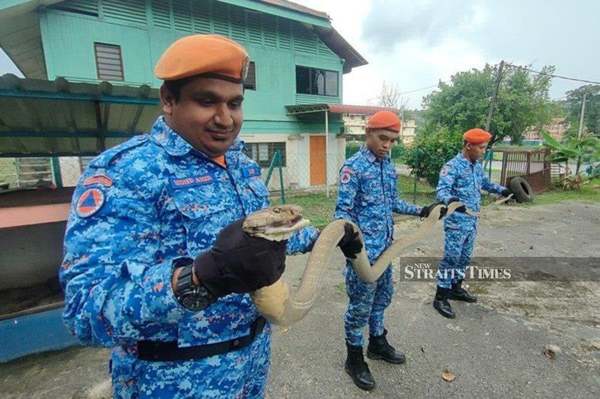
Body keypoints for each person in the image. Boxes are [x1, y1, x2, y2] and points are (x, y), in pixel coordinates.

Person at [59, 34, 320, 398]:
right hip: (173, 383)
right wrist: (197, 278)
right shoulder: (127, 173)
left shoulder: (242, 167)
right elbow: (84, 312)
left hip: (251, 366)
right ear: (168, 100)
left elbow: (258, 243)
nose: (225, 118)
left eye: (235, 103)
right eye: (207, 101)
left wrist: (319, 236)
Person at [334, 111, 440, 391]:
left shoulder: (387, 166)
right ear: (368, 133)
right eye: (383, 138)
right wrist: (348, 240)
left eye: (393, 141)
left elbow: (393, 201)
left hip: (386, 250)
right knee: (360, 307)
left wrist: (422, 210)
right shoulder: (353, 168)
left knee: (382, 298)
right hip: (363, 256)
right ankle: (354, 358)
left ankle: (377, 343)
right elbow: (341, 213)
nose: (387, 145)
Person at [433, 128, 512, 319]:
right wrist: (452, 201)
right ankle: (441, 296)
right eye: (482, 147)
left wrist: (504, 190)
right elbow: (441, 191)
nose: (484, 151)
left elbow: (484, 183)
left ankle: (456, 288)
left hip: (472, 221)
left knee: (465, 257)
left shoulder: (476, 165)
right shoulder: (452, 166)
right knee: (452, 257)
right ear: (469, 146)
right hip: (456, 222)